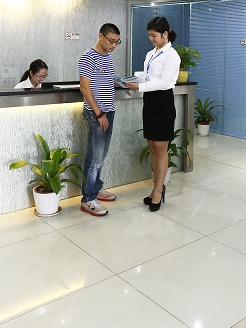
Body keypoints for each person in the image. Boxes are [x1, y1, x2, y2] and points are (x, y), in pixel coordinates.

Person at [124, 16, 180, 212]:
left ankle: (158, 190)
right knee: (152, 147)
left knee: (161, 149)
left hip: (163, 102)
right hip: (149, 101)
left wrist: (139, 87)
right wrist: (137, 81)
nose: (151, 39)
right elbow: (150, 77)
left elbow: (164, 82)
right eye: (149, 35)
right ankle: (156, 186)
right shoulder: (151, 53)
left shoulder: (172, 55)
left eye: (154, 36)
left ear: (165, 34)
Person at [77, 23, 122, 216]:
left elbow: (104, 79)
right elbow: (84, 87)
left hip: (108, 111)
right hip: (97, 114)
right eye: (111, 41)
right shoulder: (88, 57)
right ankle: (88, 199)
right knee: (94, 158)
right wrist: (98, 114)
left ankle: (96, 189)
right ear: (100, 36)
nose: (114, 45)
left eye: (117, 42)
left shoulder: (107, 56)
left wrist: (122, 82)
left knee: (101, 156)